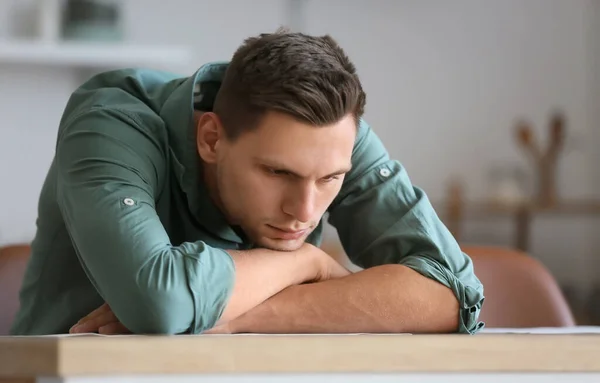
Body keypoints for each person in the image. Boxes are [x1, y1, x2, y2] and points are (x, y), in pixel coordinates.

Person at [10, 29, 484, 336]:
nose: (304, 210)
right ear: (211, 138)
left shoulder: (331, 136)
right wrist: (306, 262)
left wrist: (242, 317)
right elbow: (159, 302)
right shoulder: (111, 121)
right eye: (278, 174)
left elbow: (454, 297)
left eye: (331, 180)